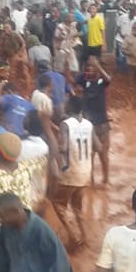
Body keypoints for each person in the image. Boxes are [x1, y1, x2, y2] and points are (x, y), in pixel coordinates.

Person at [51, 97, 99, 250]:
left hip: (70, 173)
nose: (63, 105)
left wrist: (53, 147)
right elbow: (98, 147)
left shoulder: (65, 124)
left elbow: (63, 147)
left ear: (70, 108)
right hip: (85, 173)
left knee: (58, 203)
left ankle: (73, 237)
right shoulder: (89, 124)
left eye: (65, 104)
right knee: (77, 207)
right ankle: (85, 237)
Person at [76, 57, 111, 185]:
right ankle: (91, 180)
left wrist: (97, 65)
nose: (89, 70)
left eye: (92, 68)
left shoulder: (102, 82)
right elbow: (75, 79)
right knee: (89, 156)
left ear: (97, 70)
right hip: (90, 126)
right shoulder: (84, 82)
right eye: (88, 68)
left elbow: (108, 79)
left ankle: (106, 180)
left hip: (102, 125)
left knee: (103, 155)